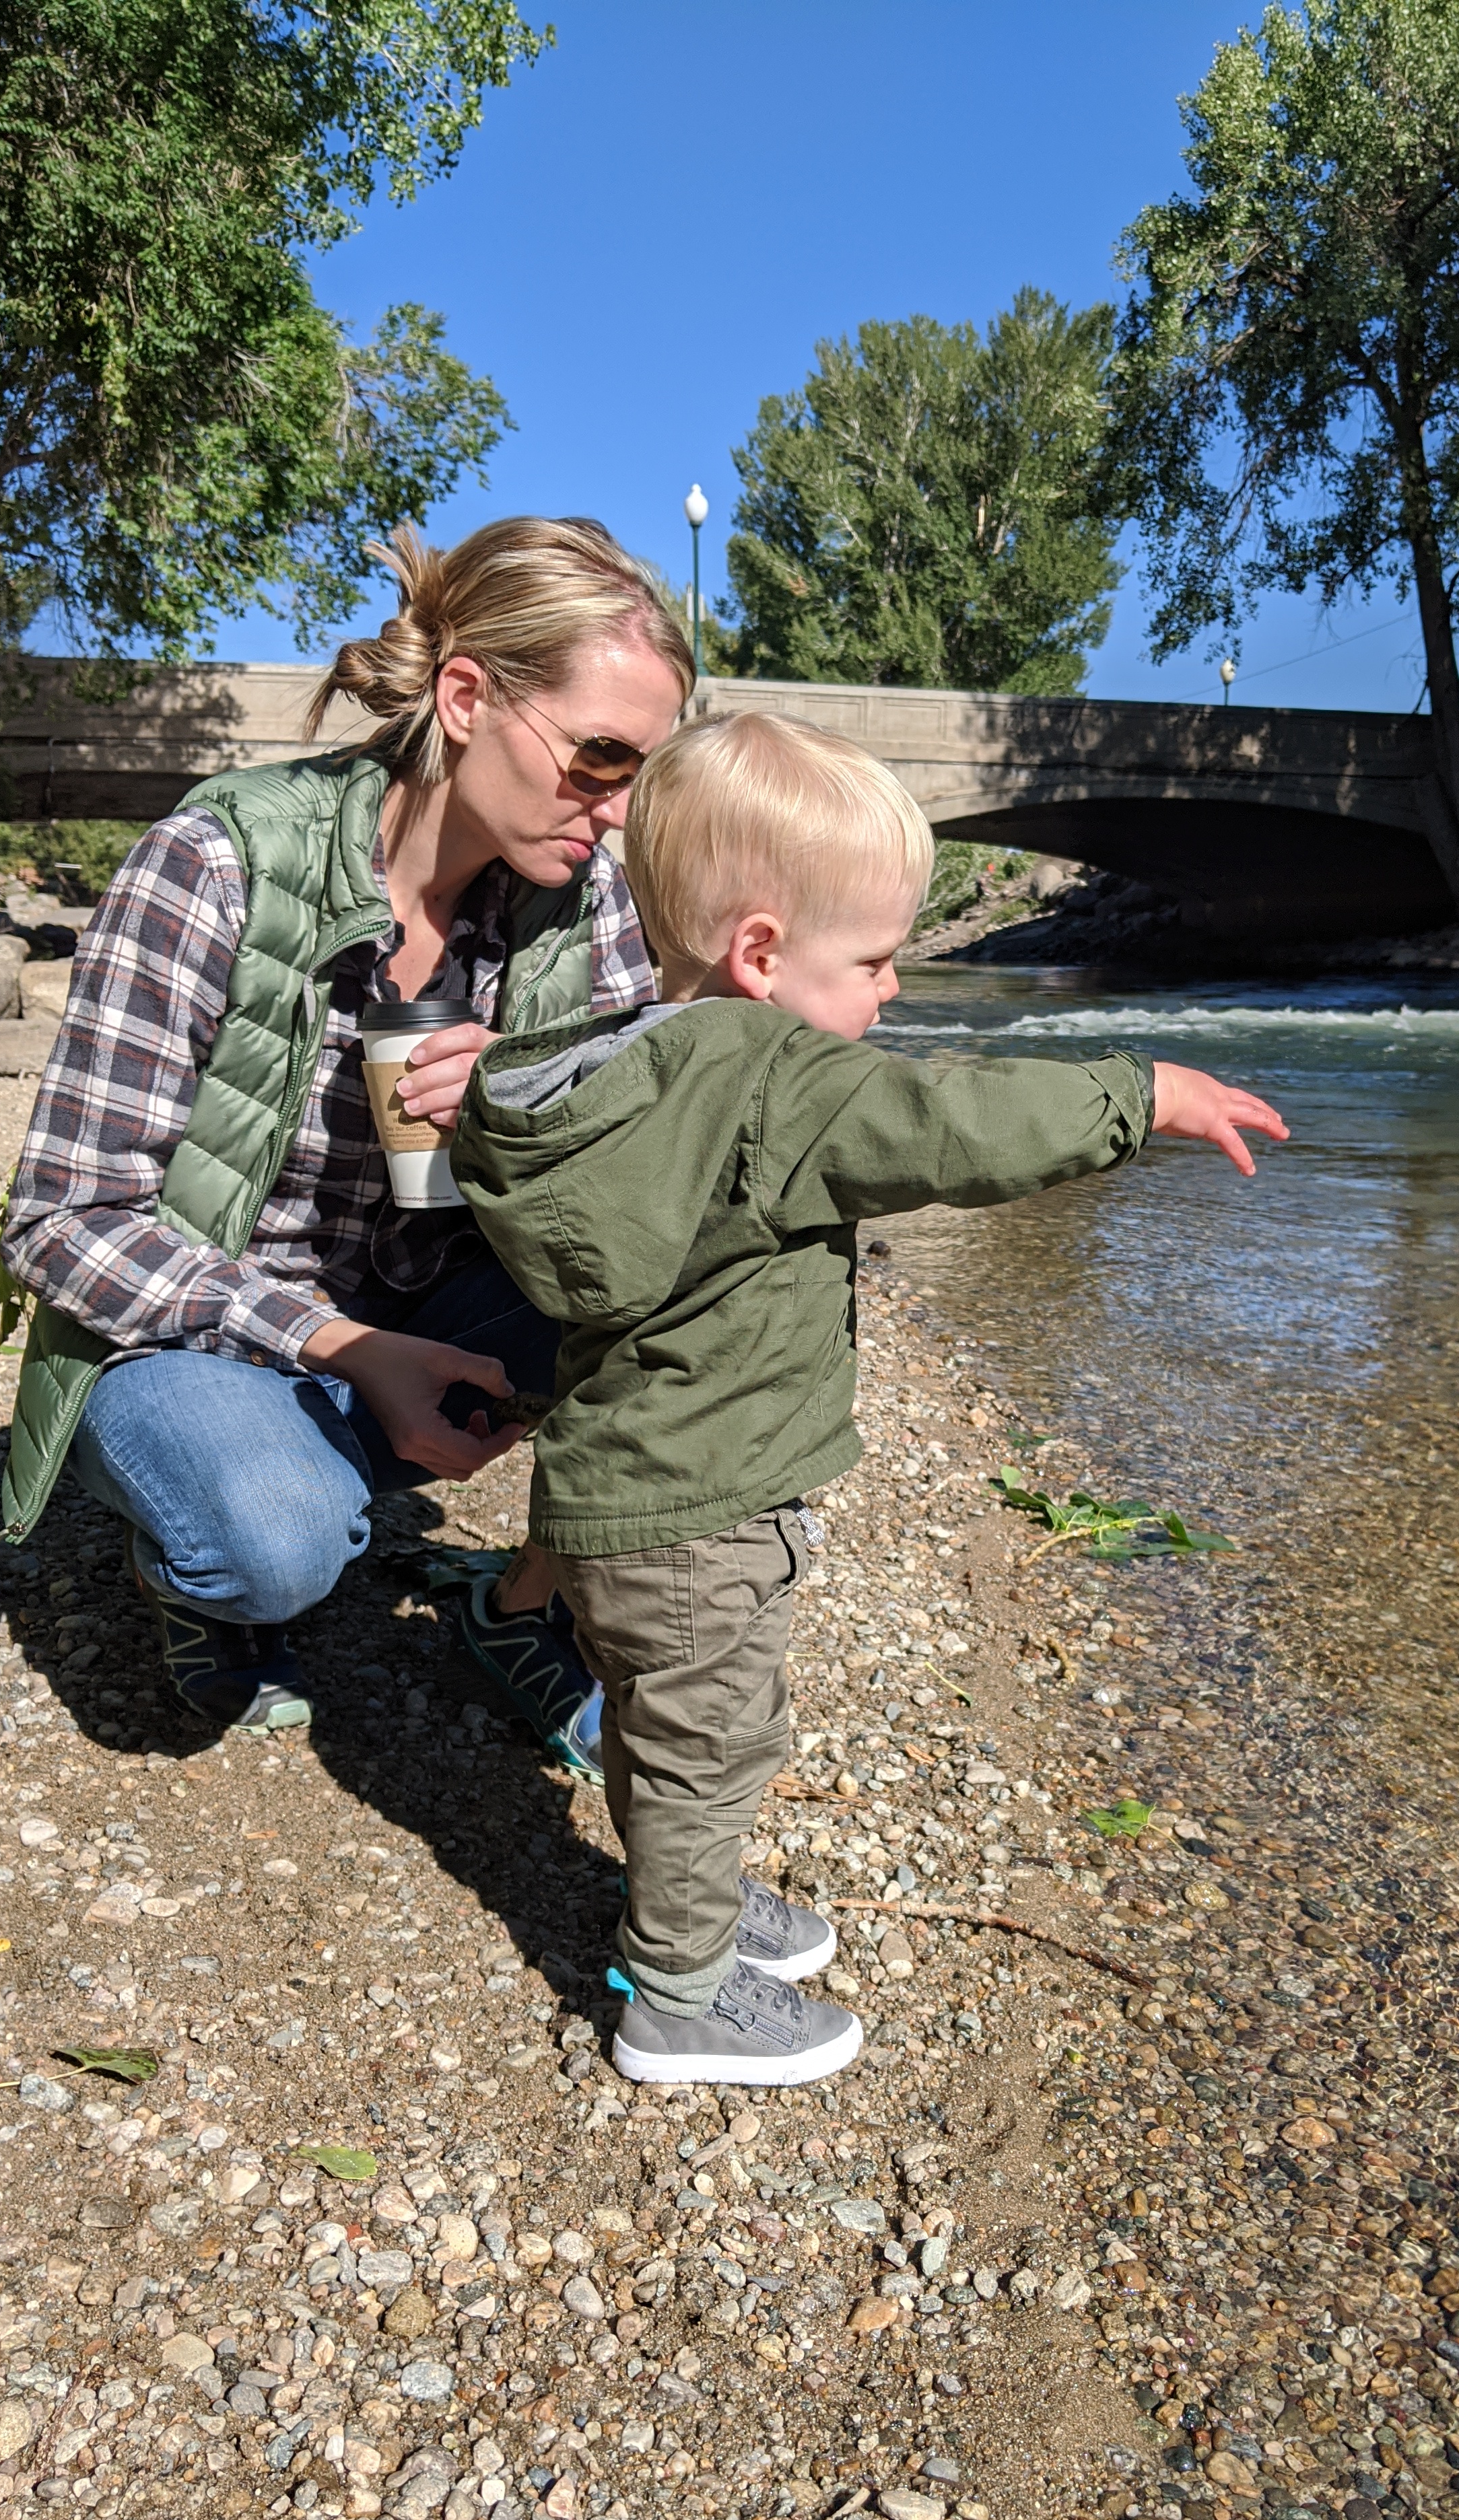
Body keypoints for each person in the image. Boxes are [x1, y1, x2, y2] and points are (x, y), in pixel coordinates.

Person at [451, 711, 1289, 2085]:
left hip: (624, 1488)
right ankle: (677, 1990)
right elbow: (952, 1122)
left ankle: (697, 1911)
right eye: (878, 960)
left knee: (686, 1729)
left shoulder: (630, 1068)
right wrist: (1138, 1094)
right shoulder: (780, 1077)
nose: (895, 993)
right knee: (708, 1742)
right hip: (705, 1518)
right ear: (763, 954)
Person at [0, 516, 693, 1758]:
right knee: (274, 1540)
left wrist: (535, 1109)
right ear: (467, 698)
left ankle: (529, 1603)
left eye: (640, 772)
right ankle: (210, 1571)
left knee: (742, 1292)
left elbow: (654, 1173)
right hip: (195, 1339)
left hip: (435, 1306)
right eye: (598, 760)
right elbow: (64, 1224)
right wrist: (343, 1346)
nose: (618, 809)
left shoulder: (590, 906)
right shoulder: (215, 864)